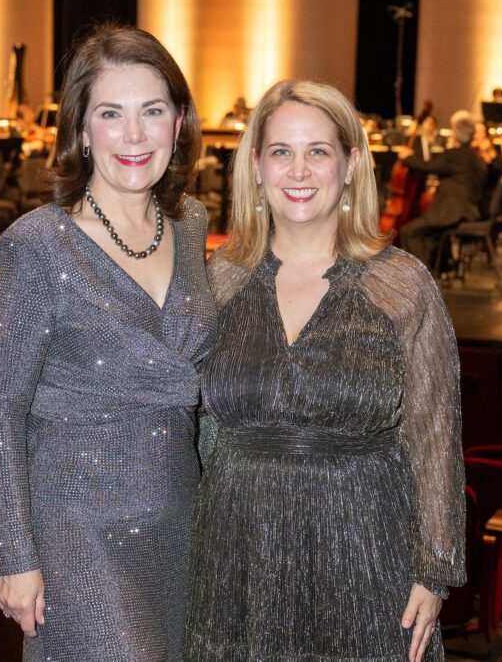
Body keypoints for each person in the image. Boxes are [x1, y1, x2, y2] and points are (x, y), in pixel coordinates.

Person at [187, 80, 466, 662]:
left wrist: (434, 572)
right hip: (241, 555)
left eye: (318, 151)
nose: (300, 170)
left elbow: (434, 438)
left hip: (366, 551)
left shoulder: (402, 285)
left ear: (351, 164)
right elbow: (199, 431)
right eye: (281, 152)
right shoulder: (218, 282)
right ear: (257, 167)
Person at [0, 24, 215, 659]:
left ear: (179, 123)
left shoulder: (192, 226)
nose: (134, 135)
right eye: (112, 114)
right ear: (81, 130)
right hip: (77, 532)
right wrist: (15, 558)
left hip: (180, 524)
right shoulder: (37, 247)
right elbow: (0, 410)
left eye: (152, 111)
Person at [397, 110, 487, 268]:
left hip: (451, 213)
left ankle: (424, 276)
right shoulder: (474, 156)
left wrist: (407, 157)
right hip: (468, 211)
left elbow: (429, 166)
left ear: (456, 134)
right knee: (430, 236)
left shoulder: (456, 155)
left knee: (408, 232)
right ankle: (439, 267)